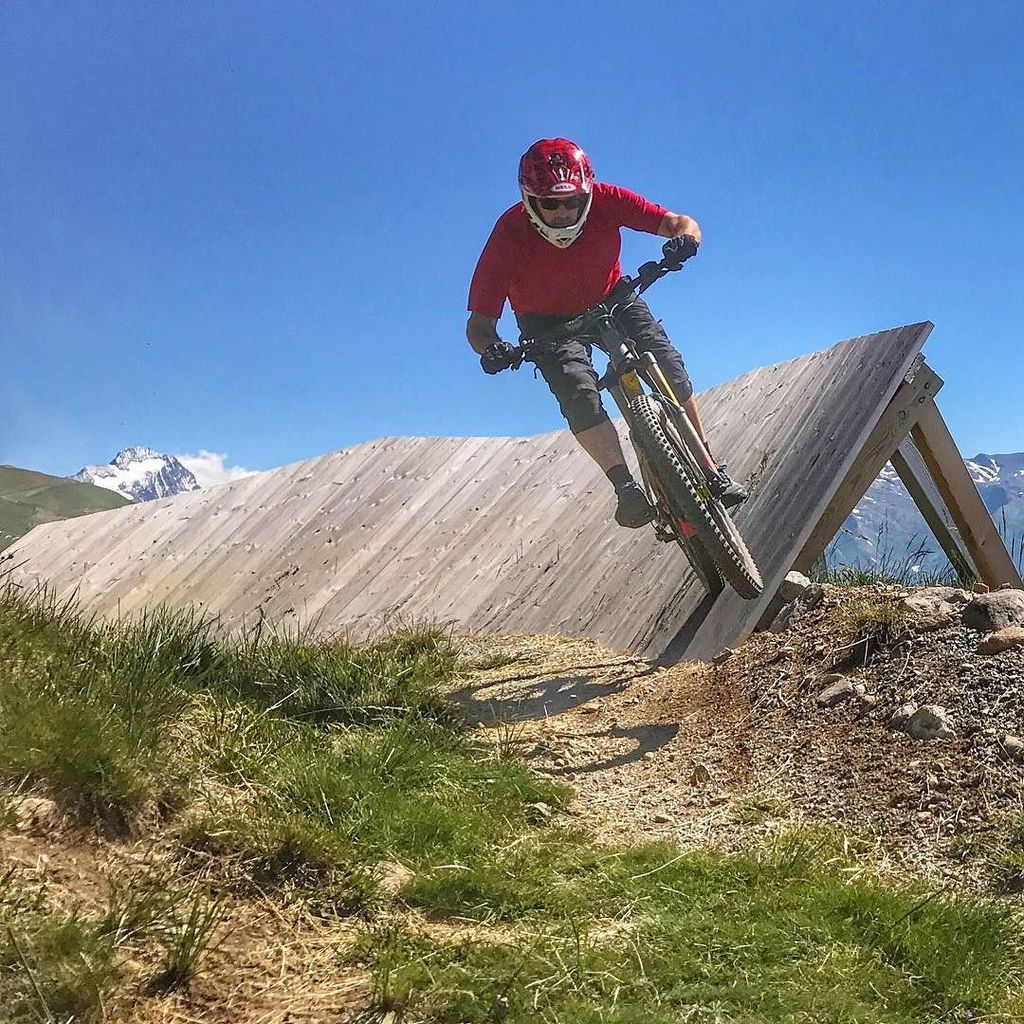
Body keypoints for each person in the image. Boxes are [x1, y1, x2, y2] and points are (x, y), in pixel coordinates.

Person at [466, 137, 747, 529]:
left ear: (588, 193)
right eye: (550, 203)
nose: (563, 212)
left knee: (666, 362)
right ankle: (626, 488)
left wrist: (685, 240)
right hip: (547, 325)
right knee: (579, 394)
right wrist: (492, 349)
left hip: (611, 297)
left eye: (573, 202)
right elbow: (479, 324)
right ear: (530, 200)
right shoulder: (508, 233)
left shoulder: (607, 199)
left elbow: (678, 222)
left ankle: (710, 467)